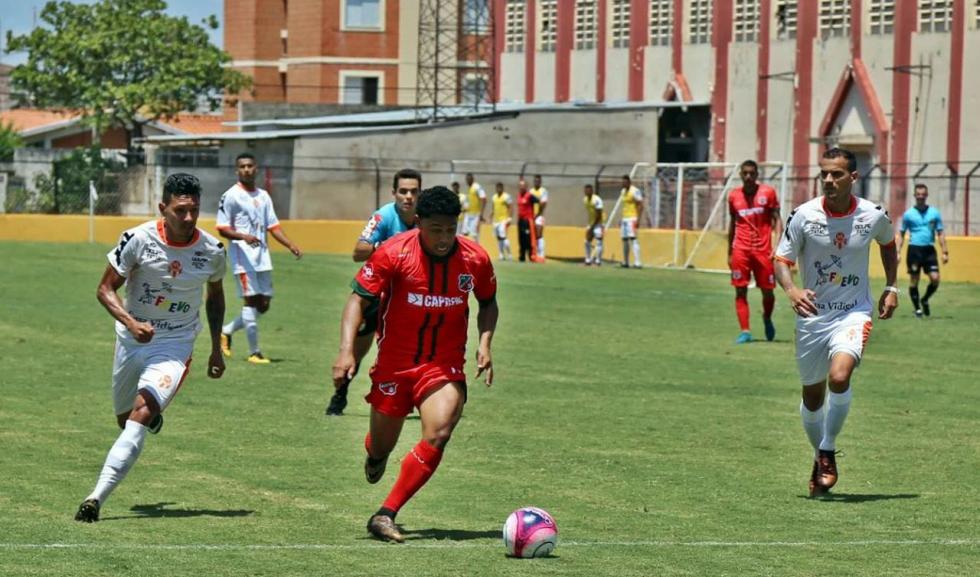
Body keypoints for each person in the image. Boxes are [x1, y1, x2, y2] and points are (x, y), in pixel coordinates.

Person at [331, 185, 498, 543]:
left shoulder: (475, 259)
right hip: (394, 365)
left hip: (443, 364)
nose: (443, 238)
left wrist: (485, 342)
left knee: (439, 431)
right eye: (436, 229)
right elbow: (357, 301)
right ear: (419, 223)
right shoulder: (394, 253)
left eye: (450, 229)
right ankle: (375, 455)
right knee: (380, 447)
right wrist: (347, 350)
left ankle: (386, 513)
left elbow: (487, 302)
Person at [74, 173, 227, 522]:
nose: (188, 219)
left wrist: (216, 348)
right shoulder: (138, 239)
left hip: (176, 343)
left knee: (140, 415)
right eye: (180, 211)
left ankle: (95, 499)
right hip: (132, 339)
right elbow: (104, 289)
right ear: (163, 208)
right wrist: (131, 323)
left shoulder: (212, 251)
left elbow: (215, 298)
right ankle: (148, 417)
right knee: (123, 419)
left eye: (194, 211)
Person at [773, 147, 899, 498]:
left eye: (837, 174)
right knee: (813, 397)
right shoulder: (803, 215)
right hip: (812, 317)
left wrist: (891, 286)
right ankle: (819, 456)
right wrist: (791, 289)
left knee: (839, 377)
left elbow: (889, 244)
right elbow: (780, 259)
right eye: (824, 173)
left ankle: (827, 448)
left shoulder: (873, 215)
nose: (828, 180)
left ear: (853, 177)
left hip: (853, 312)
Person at [325, 168, 422, 416]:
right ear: (394, 193)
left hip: (408, 298)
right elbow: (358, 252)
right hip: (377, 295)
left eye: (413, 191)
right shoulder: (384, 216)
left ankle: (415, 397)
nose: (408, 197)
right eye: (403, 191)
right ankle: (340, 394)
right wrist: (390, 248)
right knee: (359, 351)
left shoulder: (426, 219)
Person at [217, 152, 302, 364]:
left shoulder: (263, 196)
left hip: (262, 258)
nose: (246, 169)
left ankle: (226, 331)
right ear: (237, 170)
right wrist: (243, 236)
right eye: (242, 166)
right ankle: (254, 353)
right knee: (250, 301)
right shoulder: (231, 196)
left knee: (263, 304)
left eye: (250, 166)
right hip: (242, 258)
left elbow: (273, 226)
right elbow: (222, 228)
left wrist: (290, 244)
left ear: (256, 169)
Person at [727, 160, 783, 344]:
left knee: (768, 291)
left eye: (752, 173)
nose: (749, 176)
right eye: (745, 173)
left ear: (757, 174)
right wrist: (729, 251)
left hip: (764, 250)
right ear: (741, 175)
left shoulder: (768, 193)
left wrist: (778, 245)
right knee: (740, 290)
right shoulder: (734, 196)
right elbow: (732, 225)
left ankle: (767, 317)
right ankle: (745, 331)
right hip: (740, 250)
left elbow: (777, 220)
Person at [895, 183, 949, 318]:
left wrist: (944, 251)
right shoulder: (908, 214)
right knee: (914, 280)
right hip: (914, 250)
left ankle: (924, 299)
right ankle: (917, 309)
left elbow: (940, 232)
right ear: (914, 196)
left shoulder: (934, 213)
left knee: (935, 278)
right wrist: (897, 252)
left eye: (923, 195)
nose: (921, 197)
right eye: (918, 195)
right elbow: (901, 234)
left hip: (929, 250)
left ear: (926, 196)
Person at [618, 175, 644, 268]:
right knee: (624, 240)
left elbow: (640, 205)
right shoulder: (623, 192)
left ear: (629, 182)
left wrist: (638, 219)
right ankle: (626, 262)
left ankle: (638, 262)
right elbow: (625, 206)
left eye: (625, 182)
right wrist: (621, 218)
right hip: (625, 219)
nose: (623, 183)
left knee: (633, 239)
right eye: (622, 182)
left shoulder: (635, 191)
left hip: (632, 218)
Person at [516, 179, 540, 262]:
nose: (521, 187)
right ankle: (522, 256)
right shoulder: (519, 195)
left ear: (526, 187)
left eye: (523, 186)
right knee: (521, 239)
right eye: (520, 186)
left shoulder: (529, 196)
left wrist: (537, 214)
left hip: (527, 221)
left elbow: (539, 202)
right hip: (520, 220)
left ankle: (531, 256)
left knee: (528, 239)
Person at [491, 182, 514, 261]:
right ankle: (501, 254)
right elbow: (493, 208)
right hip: (496, 221)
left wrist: (510, 218)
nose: (498, 189)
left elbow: (511, 206)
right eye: (497, 188)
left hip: (503, 220)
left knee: (503, 237)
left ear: (502, 188)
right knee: (499, 238)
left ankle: (510, 254)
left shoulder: (506, 197)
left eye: (500, 188)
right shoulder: (494, 197)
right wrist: (491, 215)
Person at [461, 173, 486, 242]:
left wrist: (481, 213)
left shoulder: (477, 187)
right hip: (468, 214)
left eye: (469, 179)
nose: (468, 181)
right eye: (467, 179)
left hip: (475, 215)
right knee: (464, 233)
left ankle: (477, 251)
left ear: (473, 179)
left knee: (474, 235)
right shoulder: (469, 188)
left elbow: (484, 199)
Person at [583, 184, 604, 265]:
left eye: (589, 190)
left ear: (592, 191)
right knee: (586, 241)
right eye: (586, 190)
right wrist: (590, 226)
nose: (587, 192)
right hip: (591, 222)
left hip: (599, 222)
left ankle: (598, 260)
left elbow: (599, 214)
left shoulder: (597, 200)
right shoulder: (585, 200)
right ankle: (588, 259)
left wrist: (592, 227)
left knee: (599, 241)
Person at [529, 174, 549, 259]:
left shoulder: (543, 191)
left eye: (538, 181)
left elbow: (543, 204)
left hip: (539, 216)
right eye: (535, 181)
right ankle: (535, 253)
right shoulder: (531, 191)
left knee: (539, 234)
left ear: (540, 182)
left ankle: (541, 254)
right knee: (533, 235)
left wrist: (537, 215)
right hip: (531, 216)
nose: (537, 182)